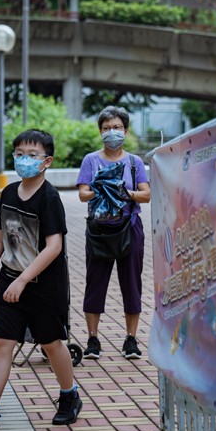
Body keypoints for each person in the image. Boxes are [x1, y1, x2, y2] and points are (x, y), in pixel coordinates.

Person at [0, 129, 82, 431]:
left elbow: (54, 247)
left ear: (47, 161)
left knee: (52, 343)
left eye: (32, 155)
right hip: (9, 281)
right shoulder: (9, 193)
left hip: (43, 286)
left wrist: (24, 280)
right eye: (19, 154)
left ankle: (70, 396)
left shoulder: (50, 198)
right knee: (3, 343)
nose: (24, 160)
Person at [76, 106, 151, 360]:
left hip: (129, 228)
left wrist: (124, 193)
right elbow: (82, 194)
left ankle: (131, 339)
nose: (112, 132)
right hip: (98, 230)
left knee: (131, 283)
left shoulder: (134, 162)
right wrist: (101, 189)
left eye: (117, 128)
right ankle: (93, 339)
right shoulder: (91, 160)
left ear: (126, 131)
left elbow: (147, 194)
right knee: (95, 283)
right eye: (107, 128)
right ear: (100, 132)